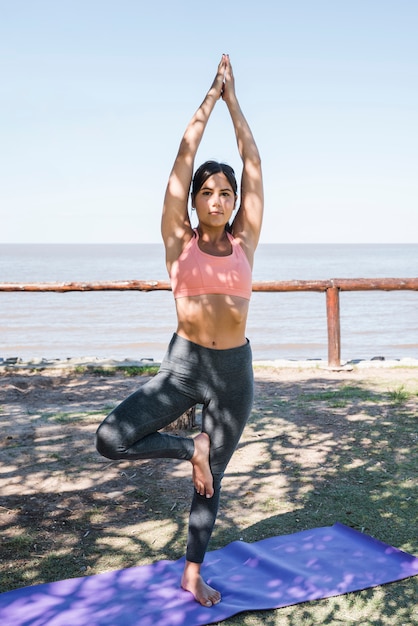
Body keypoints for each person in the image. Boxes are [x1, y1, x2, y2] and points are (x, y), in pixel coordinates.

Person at [95, 54, 263, 608]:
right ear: (193, 201)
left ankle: (192, 572)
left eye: (226, 194)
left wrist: (236, 102)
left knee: (210, 478)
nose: (217, 200)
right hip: (185, 366)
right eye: (207, 192)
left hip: (234, 373)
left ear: (234, 203)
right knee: (111, 438)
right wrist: (209, 99)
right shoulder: (179, 241)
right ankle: (188, 446)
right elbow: (181, 159)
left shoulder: (244, 243)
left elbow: (253, 164)